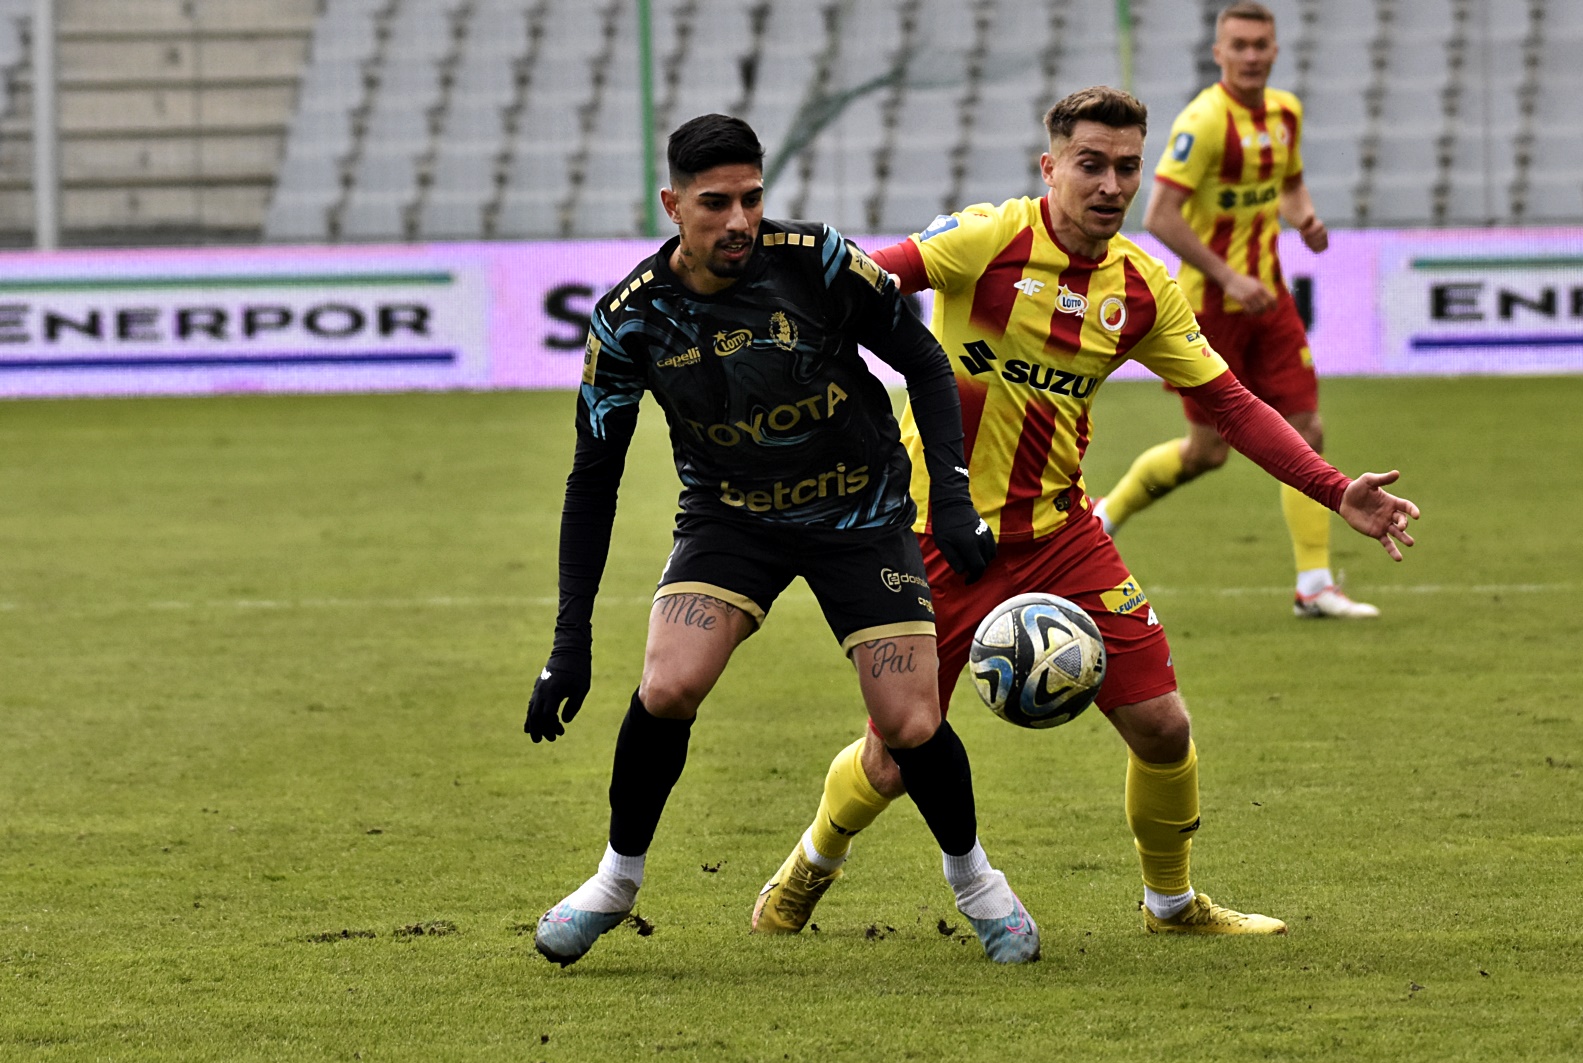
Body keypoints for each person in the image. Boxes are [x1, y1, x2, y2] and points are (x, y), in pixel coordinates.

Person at [752, 86, 1418, 938]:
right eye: (1091, 164)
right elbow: (861, 279)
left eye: (1127, 167)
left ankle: (1171, 905)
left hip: (1062, 537)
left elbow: (1231, 404)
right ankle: (809, 867)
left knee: (1164, 726)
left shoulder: (1140, 287)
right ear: (1051, 167)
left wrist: (1332, 487)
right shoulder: (986, 239)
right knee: (890, 761)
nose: (1111, 185)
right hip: (934, 538)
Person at [521, 113, 1040, 967]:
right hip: (731, 518)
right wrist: (568, 641)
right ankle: (615, 882)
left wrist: (950, 498)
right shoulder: (630, 319)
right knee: (667, 686)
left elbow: (924, 361)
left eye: (752, 199)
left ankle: (978, 885)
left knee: (909, 721)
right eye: (715, 203)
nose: (739, 221)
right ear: (673, 206)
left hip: (860, 512)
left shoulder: (817, 260)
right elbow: (593, 480)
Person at [1091, 1, 1375, 619]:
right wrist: (1228, 276)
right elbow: (1160, 215)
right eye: (1239, 45)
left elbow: (1289, 183)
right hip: (1211, 306)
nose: (1250, 56)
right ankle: (1105, 516)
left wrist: (1304, 217)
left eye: (1260, 45)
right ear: (1218, 53)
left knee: (1307, 428)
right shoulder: (1205, 122)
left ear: (1275, 50)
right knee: (1207, 452)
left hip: (1269, 299)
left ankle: (1314, 585)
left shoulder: (1285, 112)